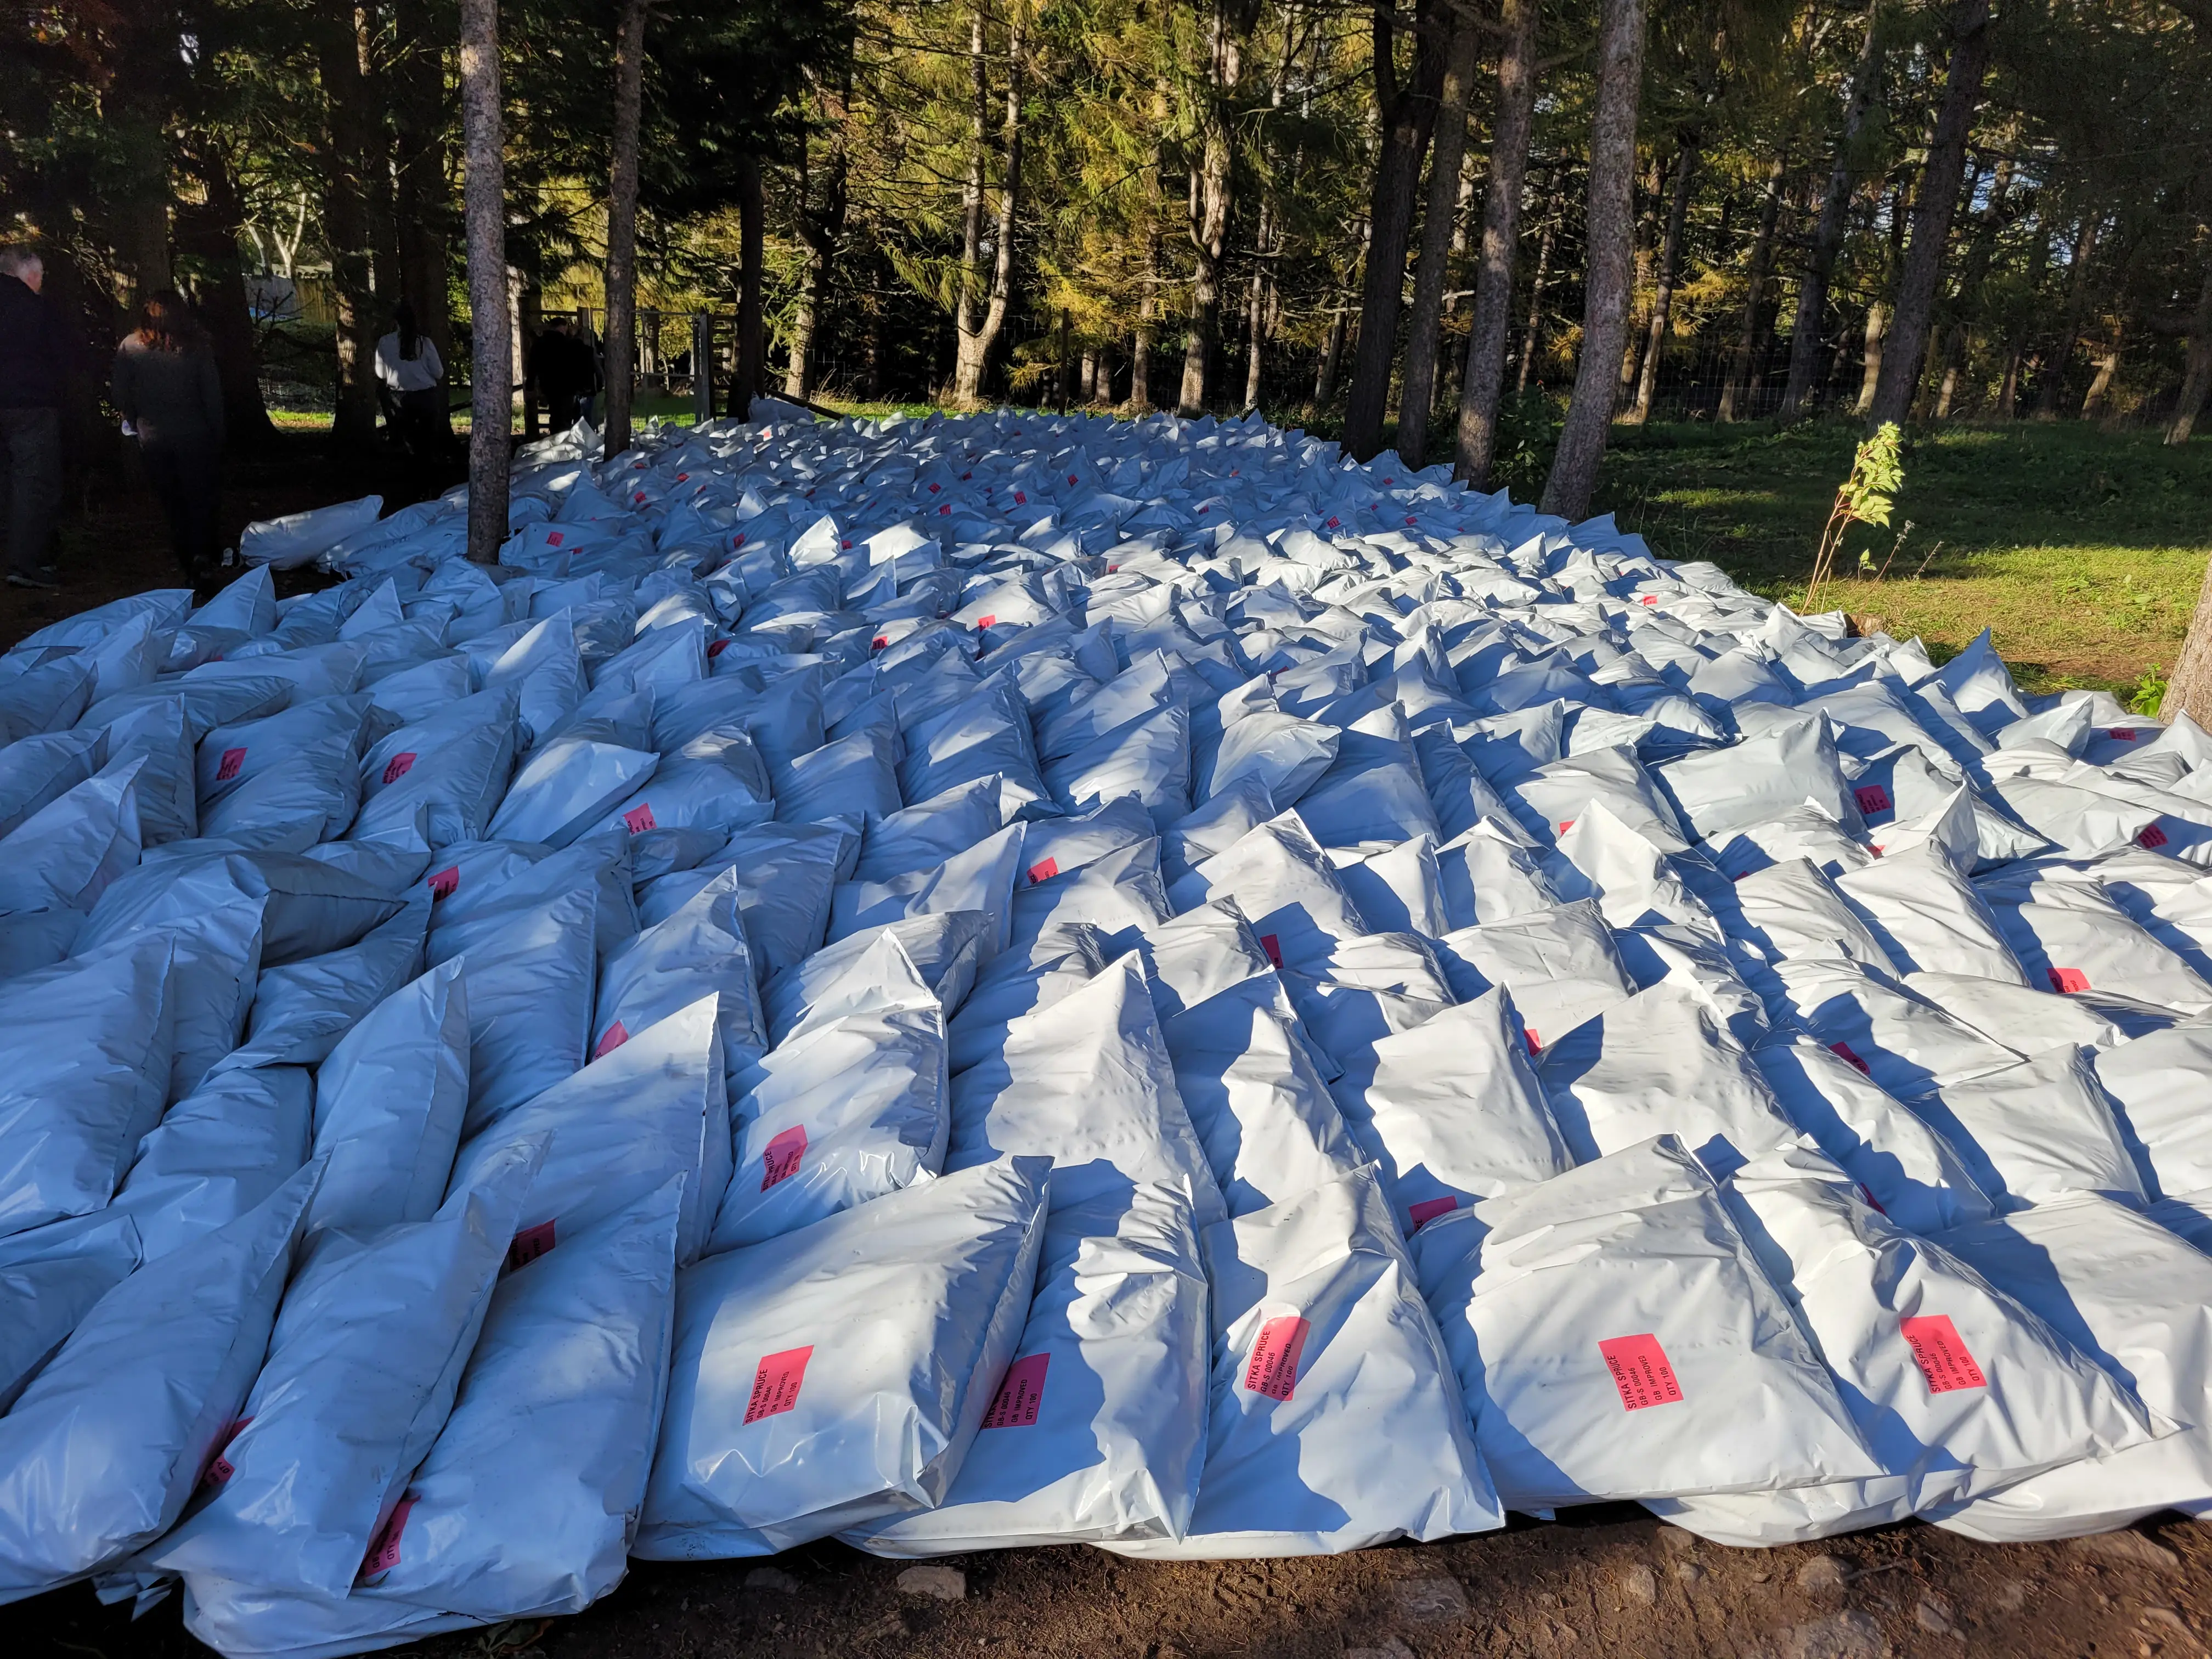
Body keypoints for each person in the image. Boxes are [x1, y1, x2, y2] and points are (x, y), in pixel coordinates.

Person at [111, 289, 225, 585]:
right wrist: (218, 433)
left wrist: (133, 419)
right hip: (195, 434)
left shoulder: (130, 347)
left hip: (153, 437)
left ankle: (188, 559)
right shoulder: (196, 347)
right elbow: (211, 395)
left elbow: (120, 394)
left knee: (172, 500)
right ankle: (204, 555)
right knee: (200, 496)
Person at [0, 246, 66, 591]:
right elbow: (64, 355)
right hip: (30, 404)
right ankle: (27, 562)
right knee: (33, 481)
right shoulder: (35, 309)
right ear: (29, 275)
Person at [373, 300, 449, 458]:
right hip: (425, 396)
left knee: (407, 441)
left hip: (399, 397)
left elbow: (381, 373)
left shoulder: (385, 342)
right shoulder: (424, 343)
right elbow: (438, 372)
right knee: (428, 441)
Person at [529, 315, 600, 432]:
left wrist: (530, 385)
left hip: (547, 384)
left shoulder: (539, 344)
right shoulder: (567, 343)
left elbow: (532, 365)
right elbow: (577, 364)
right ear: (562, 327)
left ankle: (555, 435)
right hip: (567, 385)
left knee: (555, 413)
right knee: (566, 415)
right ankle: (563, 437)